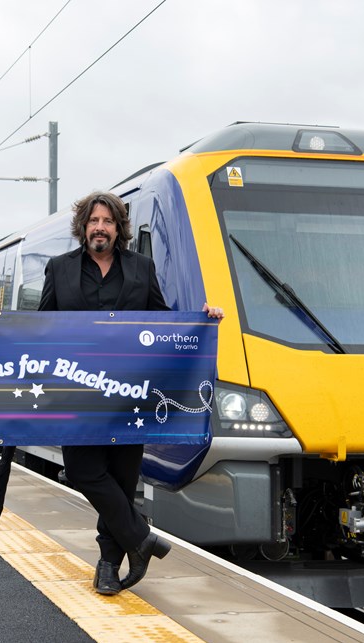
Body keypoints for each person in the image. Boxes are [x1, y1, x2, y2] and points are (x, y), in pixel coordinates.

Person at [38, 190, 223, 595]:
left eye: (107, 221)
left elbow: (164, 322)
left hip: (129, 395)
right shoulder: (60, 269)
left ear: (118, 228)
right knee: (85, 472)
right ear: (83, 227)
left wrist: (201, 321)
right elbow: (40, 328)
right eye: (93, 221)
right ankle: (140, 538)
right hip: (79, 396)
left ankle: (109, 565)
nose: (99, 228)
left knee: (122, 482)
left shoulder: (141, 268)